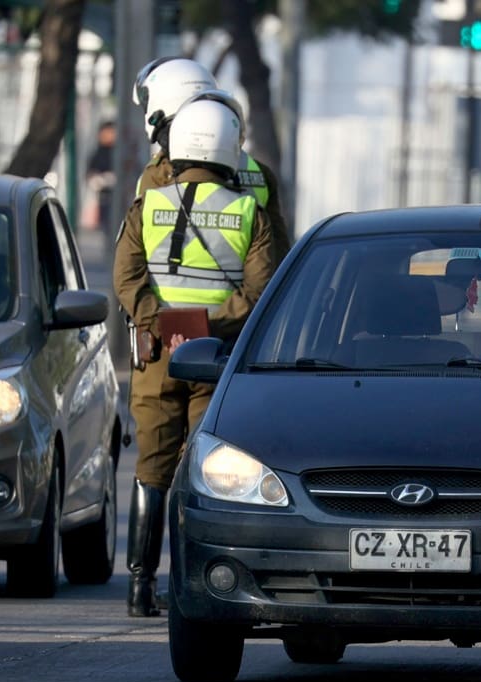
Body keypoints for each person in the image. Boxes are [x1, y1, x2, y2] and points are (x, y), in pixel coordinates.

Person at [113, 95, 280, 617]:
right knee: (205, 470)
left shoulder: (149, 204)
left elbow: (126, 275)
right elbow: (261, 293)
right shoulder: (250, 211)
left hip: (157, 354)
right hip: (216, 358)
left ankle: (140, 587)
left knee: (152, 468)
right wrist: (205, 325)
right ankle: (194, 584)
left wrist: (155, 321)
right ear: (232, 147)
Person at [131, 56, 292, 265]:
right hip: (250, 294)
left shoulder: (159, 172)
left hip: (169, 295)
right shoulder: (260, 173)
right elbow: (278, 255)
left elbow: (134, 258)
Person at [85, 120, 117, 239]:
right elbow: (90, 174)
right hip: (103, 197)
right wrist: (101, 180)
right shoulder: (98, 153)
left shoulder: (118, 152)